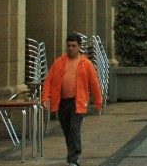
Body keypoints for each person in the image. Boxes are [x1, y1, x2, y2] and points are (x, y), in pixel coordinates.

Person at [41, 32, 103, 166]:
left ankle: (74, 158)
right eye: (69, 46)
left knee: (74, 130)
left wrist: (98, 103)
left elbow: (94, 84)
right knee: (67, 130)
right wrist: (45, 97)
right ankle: (72, 155)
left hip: (78, 102)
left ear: (79, 47)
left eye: (74, 46)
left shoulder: (86, 64)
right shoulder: (59, 62)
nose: (70, 48)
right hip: (62, 102)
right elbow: (49, 81)